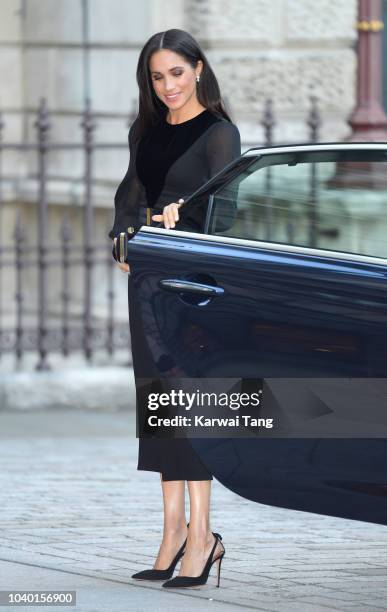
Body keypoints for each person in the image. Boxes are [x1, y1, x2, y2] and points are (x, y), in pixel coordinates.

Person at [108, 28, 241, 588]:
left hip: (193, 286)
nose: (168, 87)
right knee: (159, 406)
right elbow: (128, 196)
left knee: (192, 403)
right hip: (150, 281)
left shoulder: (219, 134)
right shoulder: (146, 130)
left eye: (177, 74)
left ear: (199, 69)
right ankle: (171, 533)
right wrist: (123, 238)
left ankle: (203, 535)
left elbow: (228, 215)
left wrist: (181, 216)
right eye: (158, 77)